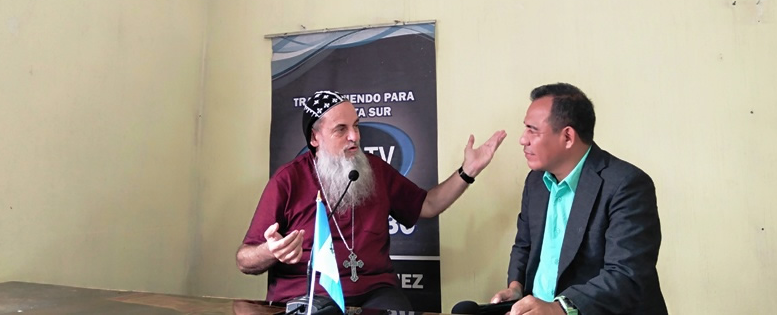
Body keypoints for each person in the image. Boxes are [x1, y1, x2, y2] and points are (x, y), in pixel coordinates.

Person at [237, 90, 506, 310]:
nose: (354, 136)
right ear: (315, 137)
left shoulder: (374, 169)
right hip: (309, 296)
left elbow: (428, 205)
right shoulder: (288, 180)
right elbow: (244, 259)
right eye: (341, 129)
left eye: (356, 125)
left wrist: (468, 171)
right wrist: (270, 251)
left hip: (375, 294)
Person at [490, 83, 666, 315]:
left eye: (533, 130)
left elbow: (625, 275)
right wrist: (516, 287)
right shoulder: (536, 181)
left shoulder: (626, 184)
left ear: (567, 137)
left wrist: (559, 309)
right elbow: (524, 245)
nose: (523, 139)